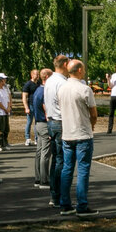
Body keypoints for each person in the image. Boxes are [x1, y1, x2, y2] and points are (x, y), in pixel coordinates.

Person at [58, 59, 98, 216]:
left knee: (67, 169)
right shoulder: (85, 89)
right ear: (79, 70)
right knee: (82, 170)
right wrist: (91, 125)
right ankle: (82, 205)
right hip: (82, 134)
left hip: (67, 134)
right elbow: (93, 114)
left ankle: (65, 204)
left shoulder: (62, 89)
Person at [43, 55, 70, 208]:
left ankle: (54, 195)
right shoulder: (61, 82)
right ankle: (59, 196)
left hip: (52, 121)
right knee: (62, 161)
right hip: (61, 122)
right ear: (65, 65)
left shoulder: (50, 80)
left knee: (56, 160)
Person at [31, 68, 52, 195]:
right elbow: (46, 109)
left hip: (38, 123)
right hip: (44, 124)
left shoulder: (37, 90)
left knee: (39, 151)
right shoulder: (45, 92)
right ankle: (44, 180)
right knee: (45, 152)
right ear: (48, 77)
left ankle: (38, 178)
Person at [21, 69, 40, 146]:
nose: (38, 76)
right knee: (29, 122)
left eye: (38, 74)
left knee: (37, 123)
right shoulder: (28, 84)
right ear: (32, 75)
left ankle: (36, 138)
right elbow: (24, 97)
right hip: (30, 105)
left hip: (37, 106)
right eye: (36, 74)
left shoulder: (39, 83)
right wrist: (26, 108)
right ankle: (27, 138)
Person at [0, 73, 11, 151]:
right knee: (1, 128)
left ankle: (4, 143)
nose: (3, 82)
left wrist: (8, 108)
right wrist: (5, 109)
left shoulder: (4, 89)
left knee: (6, 129)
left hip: (5, 112)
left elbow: (7, 100)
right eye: (1, 81)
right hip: (0, 112)